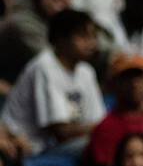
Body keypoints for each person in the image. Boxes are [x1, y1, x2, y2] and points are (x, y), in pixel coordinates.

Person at [1, 9, 104, 156]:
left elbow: (96, 120)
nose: (91, 43)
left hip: (57, 146)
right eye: (83, 36)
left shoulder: (86, 71)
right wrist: (104, 127)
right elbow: (61, 132)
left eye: (93, 36)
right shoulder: (44, 67)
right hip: (25, 147)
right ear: (61, 39)